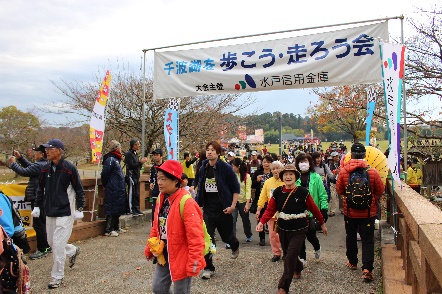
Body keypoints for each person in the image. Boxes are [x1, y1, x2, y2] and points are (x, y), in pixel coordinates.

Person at [256, 164, 328, 294]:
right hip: (283, 229)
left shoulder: (303, 192)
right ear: (282, 177)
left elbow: (314, 209)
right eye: (285, 174)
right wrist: (262, 222)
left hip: (299, 230)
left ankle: (283, 287)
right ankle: (298, 267)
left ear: (296, 176)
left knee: (289, 257)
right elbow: (270, 209)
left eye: (291, 174)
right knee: (290, 256)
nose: (288, 176)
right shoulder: (278, 192)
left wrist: (322, 223)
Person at [144, 160, 206, 294]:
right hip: (164, 251)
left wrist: (194, 261)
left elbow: (195, 236)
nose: (159, 182)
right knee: (158, 288)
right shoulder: (161, 198)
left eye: (163, 179)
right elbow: (156, 226)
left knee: (181, 291)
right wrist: (149, 248)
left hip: (182, 254)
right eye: (158, 178)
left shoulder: (187, 203)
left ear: (175, 181)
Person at [32, 139, 85, 289]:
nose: (46, 151)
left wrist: (79, 208)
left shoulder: (69, 168)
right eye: (45, 149)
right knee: (52, 243)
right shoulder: (44, 170)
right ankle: (73, 250)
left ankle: (57, 276)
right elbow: (39, 190)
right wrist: (37, 206)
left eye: (50, 149)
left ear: (59, 151)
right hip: (50, 211)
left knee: (58, 244)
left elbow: (79, 189)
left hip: (65, 212)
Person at [336, 143, 384, 282]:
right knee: (368, 240)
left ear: (351, 155)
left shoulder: (344, 171)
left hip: (350, 212)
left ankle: (353, 262)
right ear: (364, 155)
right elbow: (380, 190)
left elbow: (339, 190)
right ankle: (367, 268)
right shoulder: (372, 172)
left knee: (350, 237)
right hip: (368, 212)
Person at [194, 141, 240, 280]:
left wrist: (232, 205)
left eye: (213, 150)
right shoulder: (203, 167)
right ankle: (208, 267)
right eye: (207, 150)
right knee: (206, 238)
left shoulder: (225, 168)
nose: (209, 152)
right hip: (208, 209)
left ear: (218, 153)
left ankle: (234, 245)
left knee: (227, 237)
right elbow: (198, 183)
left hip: (224, 209)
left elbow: (235, 188)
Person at [8, 145, 51, 259]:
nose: (34, 154)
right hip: (43, 198)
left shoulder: (40, 165)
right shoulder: (44, 164)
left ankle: (43, 248)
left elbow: (23, 171)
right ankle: (46, 246)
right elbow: (30, 167)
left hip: (38, 198)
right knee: (43, 222)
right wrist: (21, 158)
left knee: (39, 224)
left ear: (42, 154)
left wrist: (13, 163)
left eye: (36, 152)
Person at [295, 153, 328, 263]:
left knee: (310, 236)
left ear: (310, 164)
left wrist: (324, 210)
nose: (303, 164)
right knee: (300, 238)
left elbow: (322, 195)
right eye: (301, 162)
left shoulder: (316, 177)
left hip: (312, 213)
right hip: (298, 213)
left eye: (305, 162)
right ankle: (302, 259)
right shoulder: (295, 178)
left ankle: (317, 247)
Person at [256, 161, 285, 262]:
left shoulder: (286, 180)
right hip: (272, 213)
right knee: (273, 235)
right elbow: (263, 196)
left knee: (284, 234)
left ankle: (286, 252)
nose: (276, 170)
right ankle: (276, 253)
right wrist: (259, 209)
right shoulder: (268, 182)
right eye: (274, 169)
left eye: (278, 168)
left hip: (285, 213)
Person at [101, 140, 126, 237]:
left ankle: (116, 227)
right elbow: (105, 174)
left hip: (118, 187)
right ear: (116, 148)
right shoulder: (110, 159)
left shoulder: (116, 159)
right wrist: (106, 184)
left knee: (118, 207)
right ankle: (109, 229)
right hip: (112, 187)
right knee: (112, 207)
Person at [250, 154, 273, 246]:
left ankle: (273, 238)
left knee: (272, 219)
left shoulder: (274, 172)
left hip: (272, 199)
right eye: (264, 162)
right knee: (260, 218)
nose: (266, 164)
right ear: (262, 163)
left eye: (268, 162)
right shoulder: (258, 172)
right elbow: (252, 185)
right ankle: (262, 238)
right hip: (260, 199)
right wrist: (257, 180)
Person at [230, 158, 253, 242]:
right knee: (232, 219)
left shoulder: (247, 177)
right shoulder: (232, 175)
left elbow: (248, 191)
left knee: (245, 219)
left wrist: (247, 204)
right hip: (234, 201)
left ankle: (248, 234)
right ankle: (232, 239)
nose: (232, 168)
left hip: (243, 201)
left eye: (233, 166)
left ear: (238, 166)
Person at [124, 138, 148, 216]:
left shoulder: (135, 154)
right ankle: (130, 209)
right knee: (131, 193)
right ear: (134, 145)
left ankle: (136, 208)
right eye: (138, 144)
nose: (139, 145)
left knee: (136, 193)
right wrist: (140, 162)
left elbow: (137, 165)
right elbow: (130, 166)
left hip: (136, 175)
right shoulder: (128, 154)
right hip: (131, 176)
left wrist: (141, 163)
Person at [150, 148, 164, 221]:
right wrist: (151, 182)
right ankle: (154, 226)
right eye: (154, 155)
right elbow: (152, 177)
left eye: (157, 155)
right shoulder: (153, 167)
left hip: (164, 192)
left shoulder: (165, 166)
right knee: (154, 210)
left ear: (161, 156)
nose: (155, 156)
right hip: (155, 192)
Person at [328, 151, 341, 216]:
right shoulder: (330, 165)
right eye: (336, 156)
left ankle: (342, 209)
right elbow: (329, 174)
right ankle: (332, 211)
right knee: (333, 197)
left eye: (338, 156)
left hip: (340, 182)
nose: (337, 157)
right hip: (333, 182)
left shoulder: (341, 163)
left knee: (341, 196)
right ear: (333, 158)